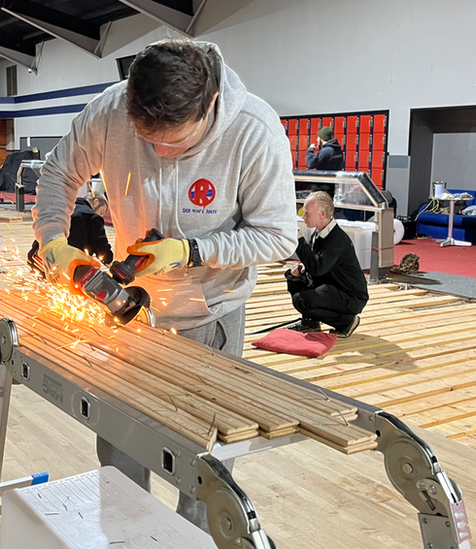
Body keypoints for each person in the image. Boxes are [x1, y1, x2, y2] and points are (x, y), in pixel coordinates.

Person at [31, 38, 297, 530]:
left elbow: (279, 236)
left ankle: (194, 539)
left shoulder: (255, 132)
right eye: (145, 138)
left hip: (209, 312)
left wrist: (193, 250)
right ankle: (126, 534)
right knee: (119, 438)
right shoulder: (110, 109)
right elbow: (57, 172)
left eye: (173, 143)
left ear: (210, 102)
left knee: (204, 455)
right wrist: (53, 240)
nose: (157, 151)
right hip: (131, 311)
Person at [285, 191, 367, 337]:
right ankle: (310, 321)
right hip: (333, 287)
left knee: (301, 299)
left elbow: (318, 268)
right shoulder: (319, 233)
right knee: (294, 278)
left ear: (322, 214)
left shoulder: (336, 239)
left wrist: (300, 241)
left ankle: (346, 322)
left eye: (307, 213)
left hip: (350, 296)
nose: (303, 217)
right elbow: (317, 264)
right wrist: (301, 269)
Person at [29, 190, 114, 267]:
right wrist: (110, 261)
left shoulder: (63, 206)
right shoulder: (92, 217)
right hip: (64, 265)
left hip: (37, 258)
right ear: (96, 202)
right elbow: (101, 247)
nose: (100, 216)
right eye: (101, 212)